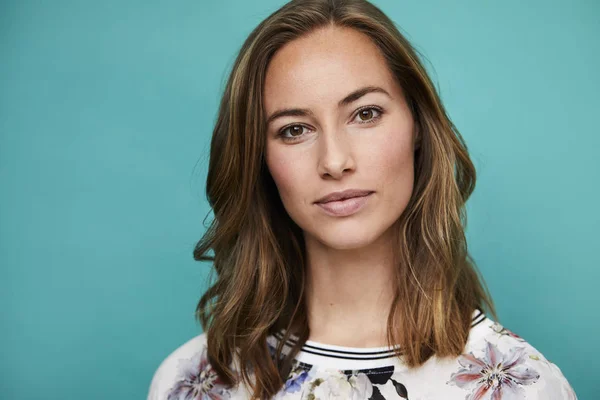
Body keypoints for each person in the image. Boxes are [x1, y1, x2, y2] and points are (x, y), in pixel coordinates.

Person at [147, 0, 577, 398]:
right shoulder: (192, 382)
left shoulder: (520, 386)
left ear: (419, 129)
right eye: (294, 129)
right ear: (260, 160)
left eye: (365, 114)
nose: (334, 161)